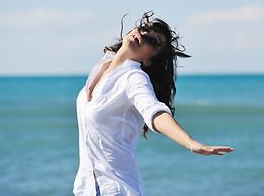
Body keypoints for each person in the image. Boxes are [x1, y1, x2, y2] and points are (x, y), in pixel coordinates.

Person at [73, 12, 233, 196]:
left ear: (148, 60)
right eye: (145, 28)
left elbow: (154, 111)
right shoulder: (101, 68)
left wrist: (189, 142)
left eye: (154, 40)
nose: (144, 34)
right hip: (86, 188)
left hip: (117, 189)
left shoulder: (134, 78)